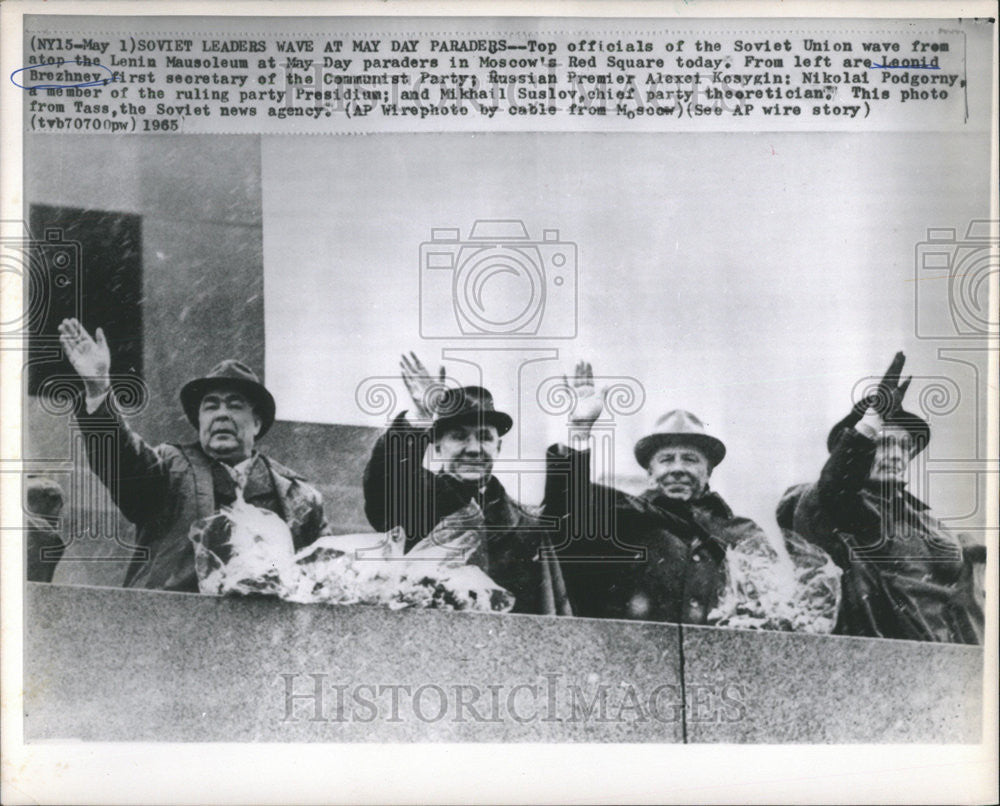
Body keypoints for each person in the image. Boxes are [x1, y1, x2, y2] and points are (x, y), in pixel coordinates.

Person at [58, 318, 327, 592]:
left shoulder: (298, 496)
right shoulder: (169, 467)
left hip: (264, 630)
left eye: (234, 405)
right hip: (173, 623)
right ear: (200, 421)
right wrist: (99, 389)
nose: (222, 413)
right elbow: (121, 459)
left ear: (256, 423)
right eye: (211, 406)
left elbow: (321, 577)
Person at [543, 361, 772, 624]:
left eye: (690, 459)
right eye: (666, 460)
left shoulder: (742, 534)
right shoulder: (623, 521)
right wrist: (580, 431)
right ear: (650, 473)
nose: (677, 469)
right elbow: (566, 515)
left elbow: (772, 603)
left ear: (708, 472)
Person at [781, 352, 983, 644]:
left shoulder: (922, 517)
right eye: (883, 443)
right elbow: (833, 489)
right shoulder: (847, 508)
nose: (896, 456)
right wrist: (870, 422)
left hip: (949, 654)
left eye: (904, 447)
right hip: (886, 656)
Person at [362, 352, 571, 616]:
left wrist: (579, 433)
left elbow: (569, 523)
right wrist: (420, 416)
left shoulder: (526, 526)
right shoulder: (412, 501)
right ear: (436, 445)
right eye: (459, 437)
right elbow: (384, 486)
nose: (473, 449)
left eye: (484, 437)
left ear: (499, 446)